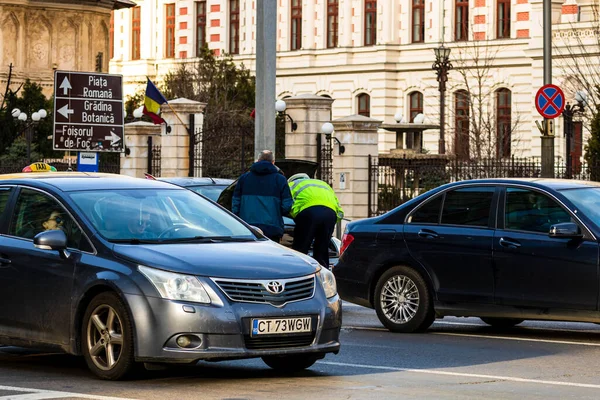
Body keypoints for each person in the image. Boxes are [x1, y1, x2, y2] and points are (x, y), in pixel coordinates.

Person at [232, 150, 293, 243]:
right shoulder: (280, 179)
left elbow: (235, 202)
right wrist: (277, 212)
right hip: (273, 227)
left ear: (257, 161)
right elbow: (287, 204)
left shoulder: (244, 178)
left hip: (248, 227)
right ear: (273, 162)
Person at [288, 173, 344, 268]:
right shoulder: (323, 184)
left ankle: (299, 271)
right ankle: (322, 274)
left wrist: (295, 216)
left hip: (309, 212)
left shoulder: (291, 185)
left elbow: (287, 204)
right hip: (330, 213)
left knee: (301, 249)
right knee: (322, 249)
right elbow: (339, 210)